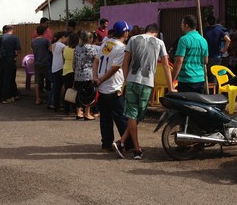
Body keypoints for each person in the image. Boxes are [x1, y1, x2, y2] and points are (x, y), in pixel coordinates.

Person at [113, 23, 175, 160]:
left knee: (132, 116)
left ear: (146, 30)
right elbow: (166, 65)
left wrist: (125, 81)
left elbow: (125, 63)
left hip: (131, 81)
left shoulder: (133, 39)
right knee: (138, 116)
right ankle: (135, 149)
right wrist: (170, 87)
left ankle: (122, 142)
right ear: (156, 33)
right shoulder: (159, 43)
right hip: (146, 84)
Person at [93, 21, 134, 151]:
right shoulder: (122, 48)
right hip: (113, 86)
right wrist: (101, 80)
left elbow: (96, 60)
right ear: (125, 32)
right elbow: (114, 69)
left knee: (105, 117)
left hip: (102, 88)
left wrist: (96, 78)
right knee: (121, 117)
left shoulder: (107, 43)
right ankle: (127, 143)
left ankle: (106, 142)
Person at [172, 14, 209, 94]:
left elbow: (179, 61)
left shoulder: (184, 39)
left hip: (186, 80)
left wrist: (172, 79)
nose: (181, 26)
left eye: (182, 24)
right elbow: (206, 61)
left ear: (186, 25)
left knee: (186, 105)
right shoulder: (203, 40)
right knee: (198, 105)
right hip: (200, 79)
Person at [74, 31, 98, 120]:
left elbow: (74, 61)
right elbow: (96, 59)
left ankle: (78, 112)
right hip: (88, 73)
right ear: (89, 38)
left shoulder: (77, 47)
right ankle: (87, 113)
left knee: (79, 93)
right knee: (88, 93)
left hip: (78, 73)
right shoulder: (90, 48)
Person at [0, 24, 21, 103]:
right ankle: (5, 98)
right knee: (8, 79)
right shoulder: (14, 38)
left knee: (1, 78)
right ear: (11, 30)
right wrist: (15, 53)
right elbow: (19, 50)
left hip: (0, 60)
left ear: (5, 30)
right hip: (9, 60)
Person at [204, 15, 230, 83]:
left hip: (207, 56)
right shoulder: (218, 30)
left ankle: (208, 90)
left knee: (206, 74)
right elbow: (228, 40)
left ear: (207, 22)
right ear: (215, 22)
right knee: (215, 74)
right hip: (217, 56)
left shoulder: (204, 31)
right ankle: (215, 90)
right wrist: (224, 49)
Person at [31, 25, 52, 105]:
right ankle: (51, 99)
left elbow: (33, 49)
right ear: (44, 32)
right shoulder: (45, 41)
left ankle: (37, 98)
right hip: (45, 62)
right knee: (50, 79)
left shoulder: (33, 41)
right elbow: (50, 49)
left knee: (37, 81)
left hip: (37, 63)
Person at [48, 31, 68, 111]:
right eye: (66, 38)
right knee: (60, 87)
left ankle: (55, 104)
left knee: (56, 87)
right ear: (63, 37)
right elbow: (65, 56)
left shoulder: (53, 45)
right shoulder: (62, 46)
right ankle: (58, 105)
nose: (66, 40)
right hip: (60, 67)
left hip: (54, 67)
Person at [62, 33, 78, 115]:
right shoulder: (77, 50)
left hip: (65, 70)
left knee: (67, 89)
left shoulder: (65, 48)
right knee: (75, 90)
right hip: (73, 70)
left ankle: (66, 108)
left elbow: (64, 59)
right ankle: (75, 108)